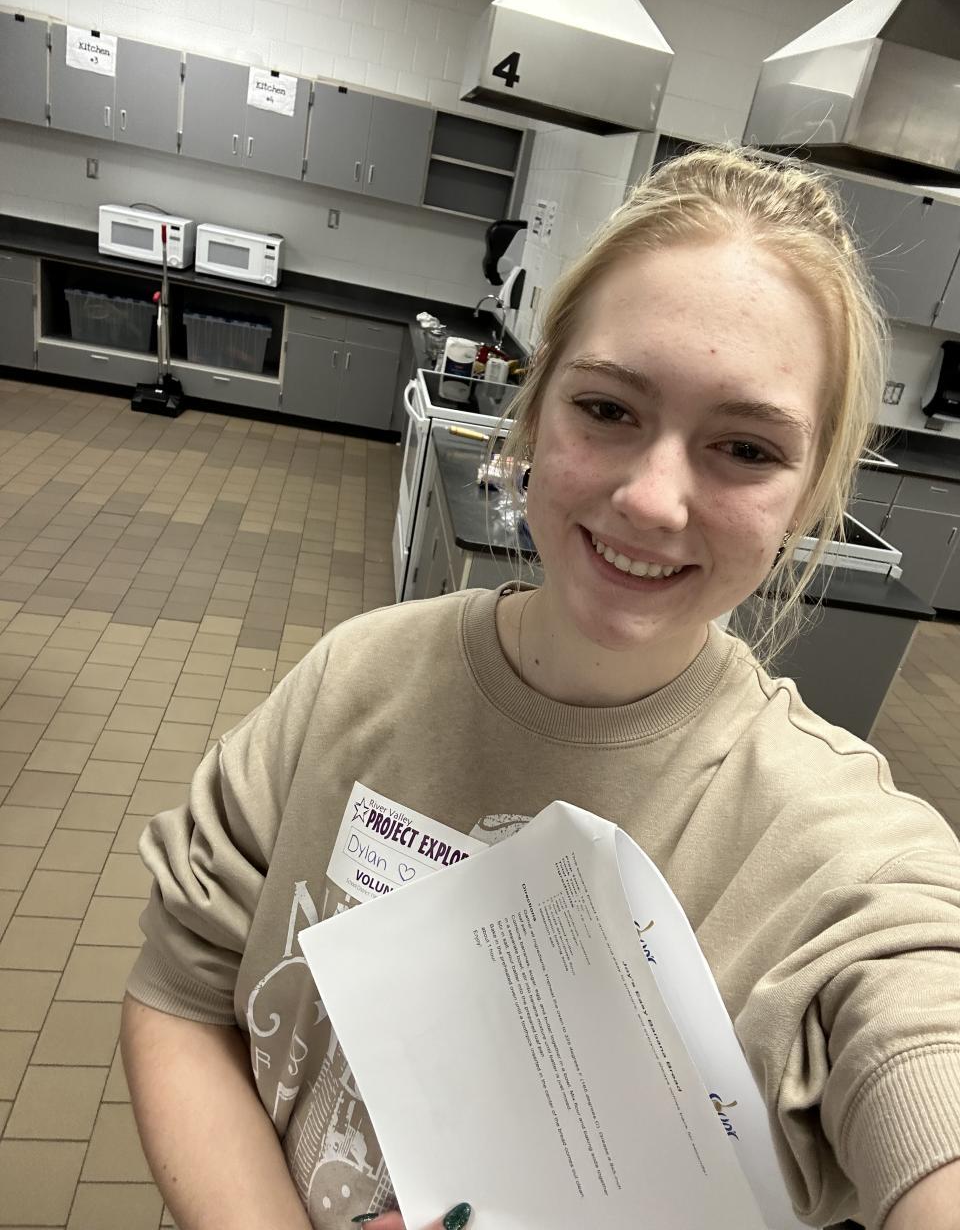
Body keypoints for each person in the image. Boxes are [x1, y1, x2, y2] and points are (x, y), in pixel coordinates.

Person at [121, 146, 960, 1230]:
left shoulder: (844, 857)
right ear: (536, 407)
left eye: (746, 448)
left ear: (809, 497)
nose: (652, 499)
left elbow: (922, 1051)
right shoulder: (353, 681)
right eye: (609, 409)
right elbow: (184, 995)